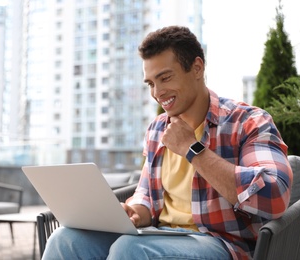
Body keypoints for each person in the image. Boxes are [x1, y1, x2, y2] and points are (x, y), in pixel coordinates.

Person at [42, 26, 293, 259]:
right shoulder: (157, 129)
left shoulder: (248, 122)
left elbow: (275, 196)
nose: (157, 92)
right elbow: (146, 195)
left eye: (165, 78)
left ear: (197, 68)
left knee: (129, 249)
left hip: (220, 243)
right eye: (151, 83)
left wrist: (192, 149)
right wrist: (136, 212)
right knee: (65, 239)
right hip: (157, 236)